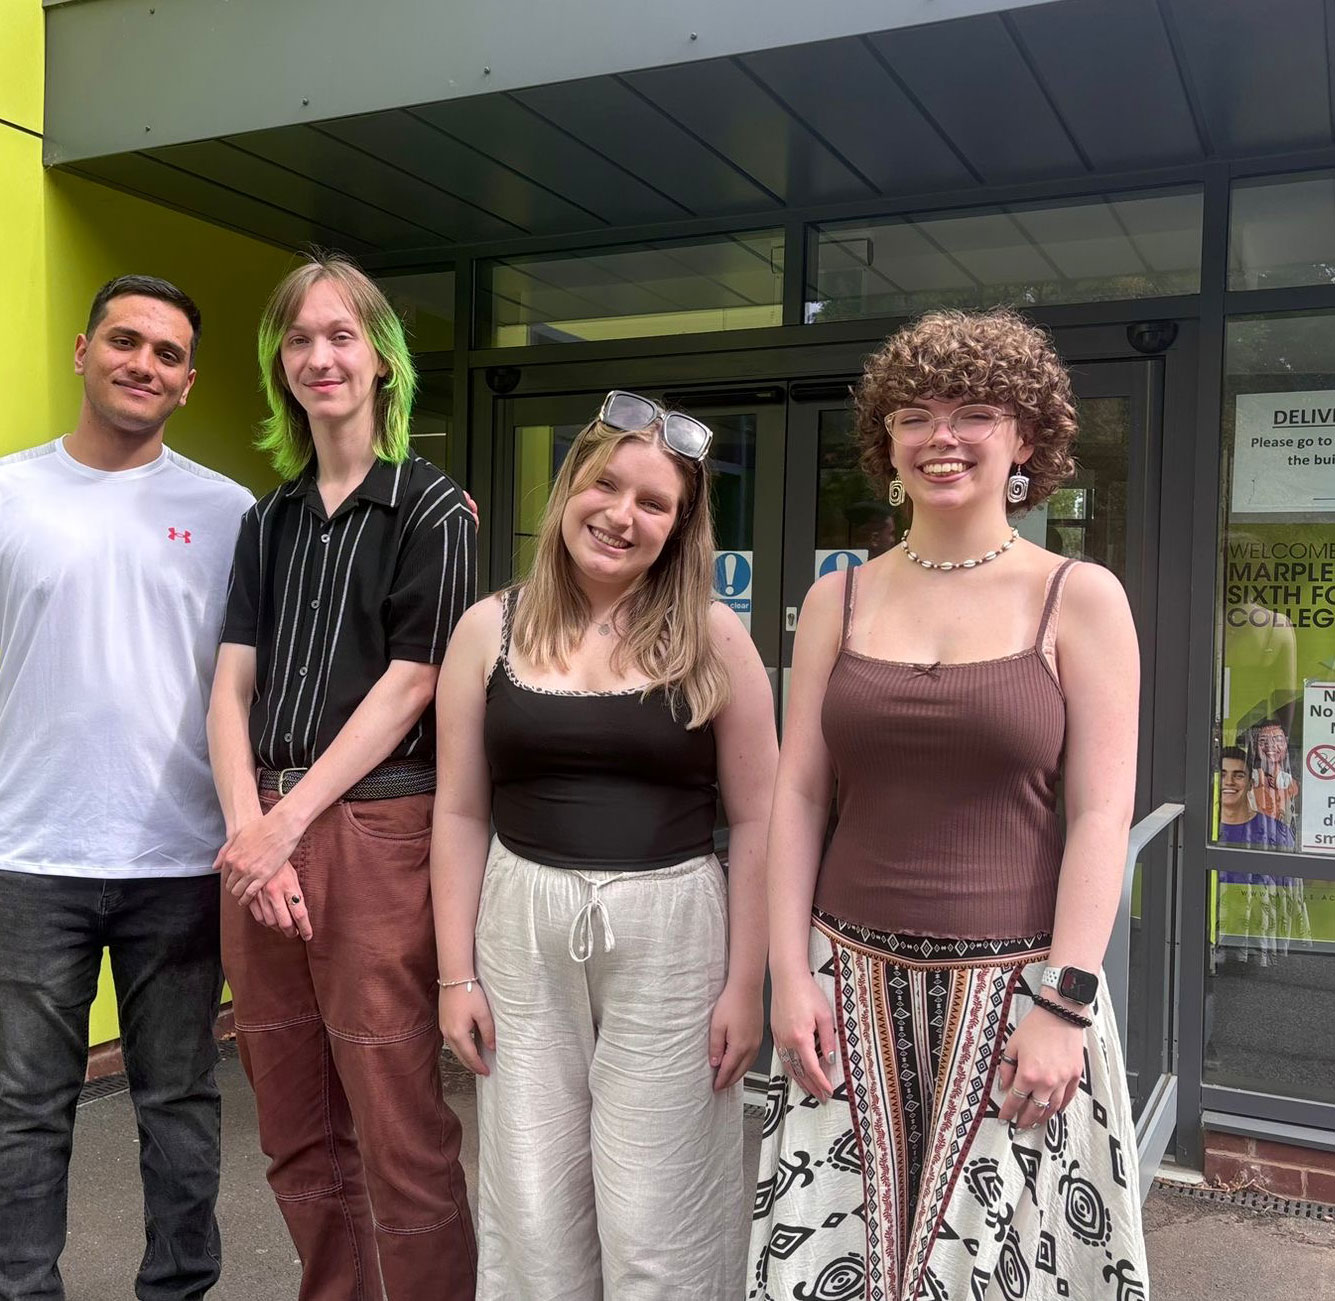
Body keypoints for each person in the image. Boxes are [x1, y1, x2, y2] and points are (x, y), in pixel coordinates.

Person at [754, 309, 1152, 1299]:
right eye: (913, 414)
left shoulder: (1078, 596)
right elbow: (796, 794)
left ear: (1026, 440)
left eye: (975, 411)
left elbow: (1101, 813)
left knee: (995, 1275)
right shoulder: (837, 601)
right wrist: (784, 974)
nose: (942, 435)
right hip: (843, 984)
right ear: (883, 444)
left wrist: (1067, 999)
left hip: (1021, 996)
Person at [0, 275, 249, 1300]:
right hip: (25, 865)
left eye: (165, 352)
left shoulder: (229, 510)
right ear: (81, 349)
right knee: (26, 1109)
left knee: (182, 1106)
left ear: (188, 381)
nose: (142, 363)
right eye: (124, 340)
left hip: (181, 861)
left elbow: (269, 679)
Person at [432, 392, 779, 1300]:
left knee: (658, 1208)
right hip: (520, 929)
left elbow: (759, 819)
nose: (622, 516)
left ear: (680, 525)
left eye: (654, 503)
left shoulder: (713, 637)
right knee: (532, 1197)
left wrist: (748, 984)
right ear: (569, 487)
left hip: (672, 933)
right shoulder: (487, 629)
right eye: (606, 485)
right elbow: (461, 812)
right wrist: (453, 973)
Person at [207, 253, 478, 1301]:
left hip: (372, 832)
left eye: (342, 335)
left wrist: (289, 818)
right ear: (281, 364)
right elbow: (229, 691)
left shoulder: (431, 508)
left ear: (383, 363)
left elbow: (413, 685)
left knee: (395, 1125)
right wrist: (251, 827)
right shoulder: (264, 521)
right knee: (293, 1122)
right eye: (300, 338)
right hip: (261, 836)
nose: (320, 356)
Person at [1218, 746, 1294, 849]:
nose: (1229, 782)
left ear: (1251, 783)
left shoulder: (1276, 832)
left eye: (1238, 776)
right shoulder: (1203, 828)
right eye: (1222, 775)